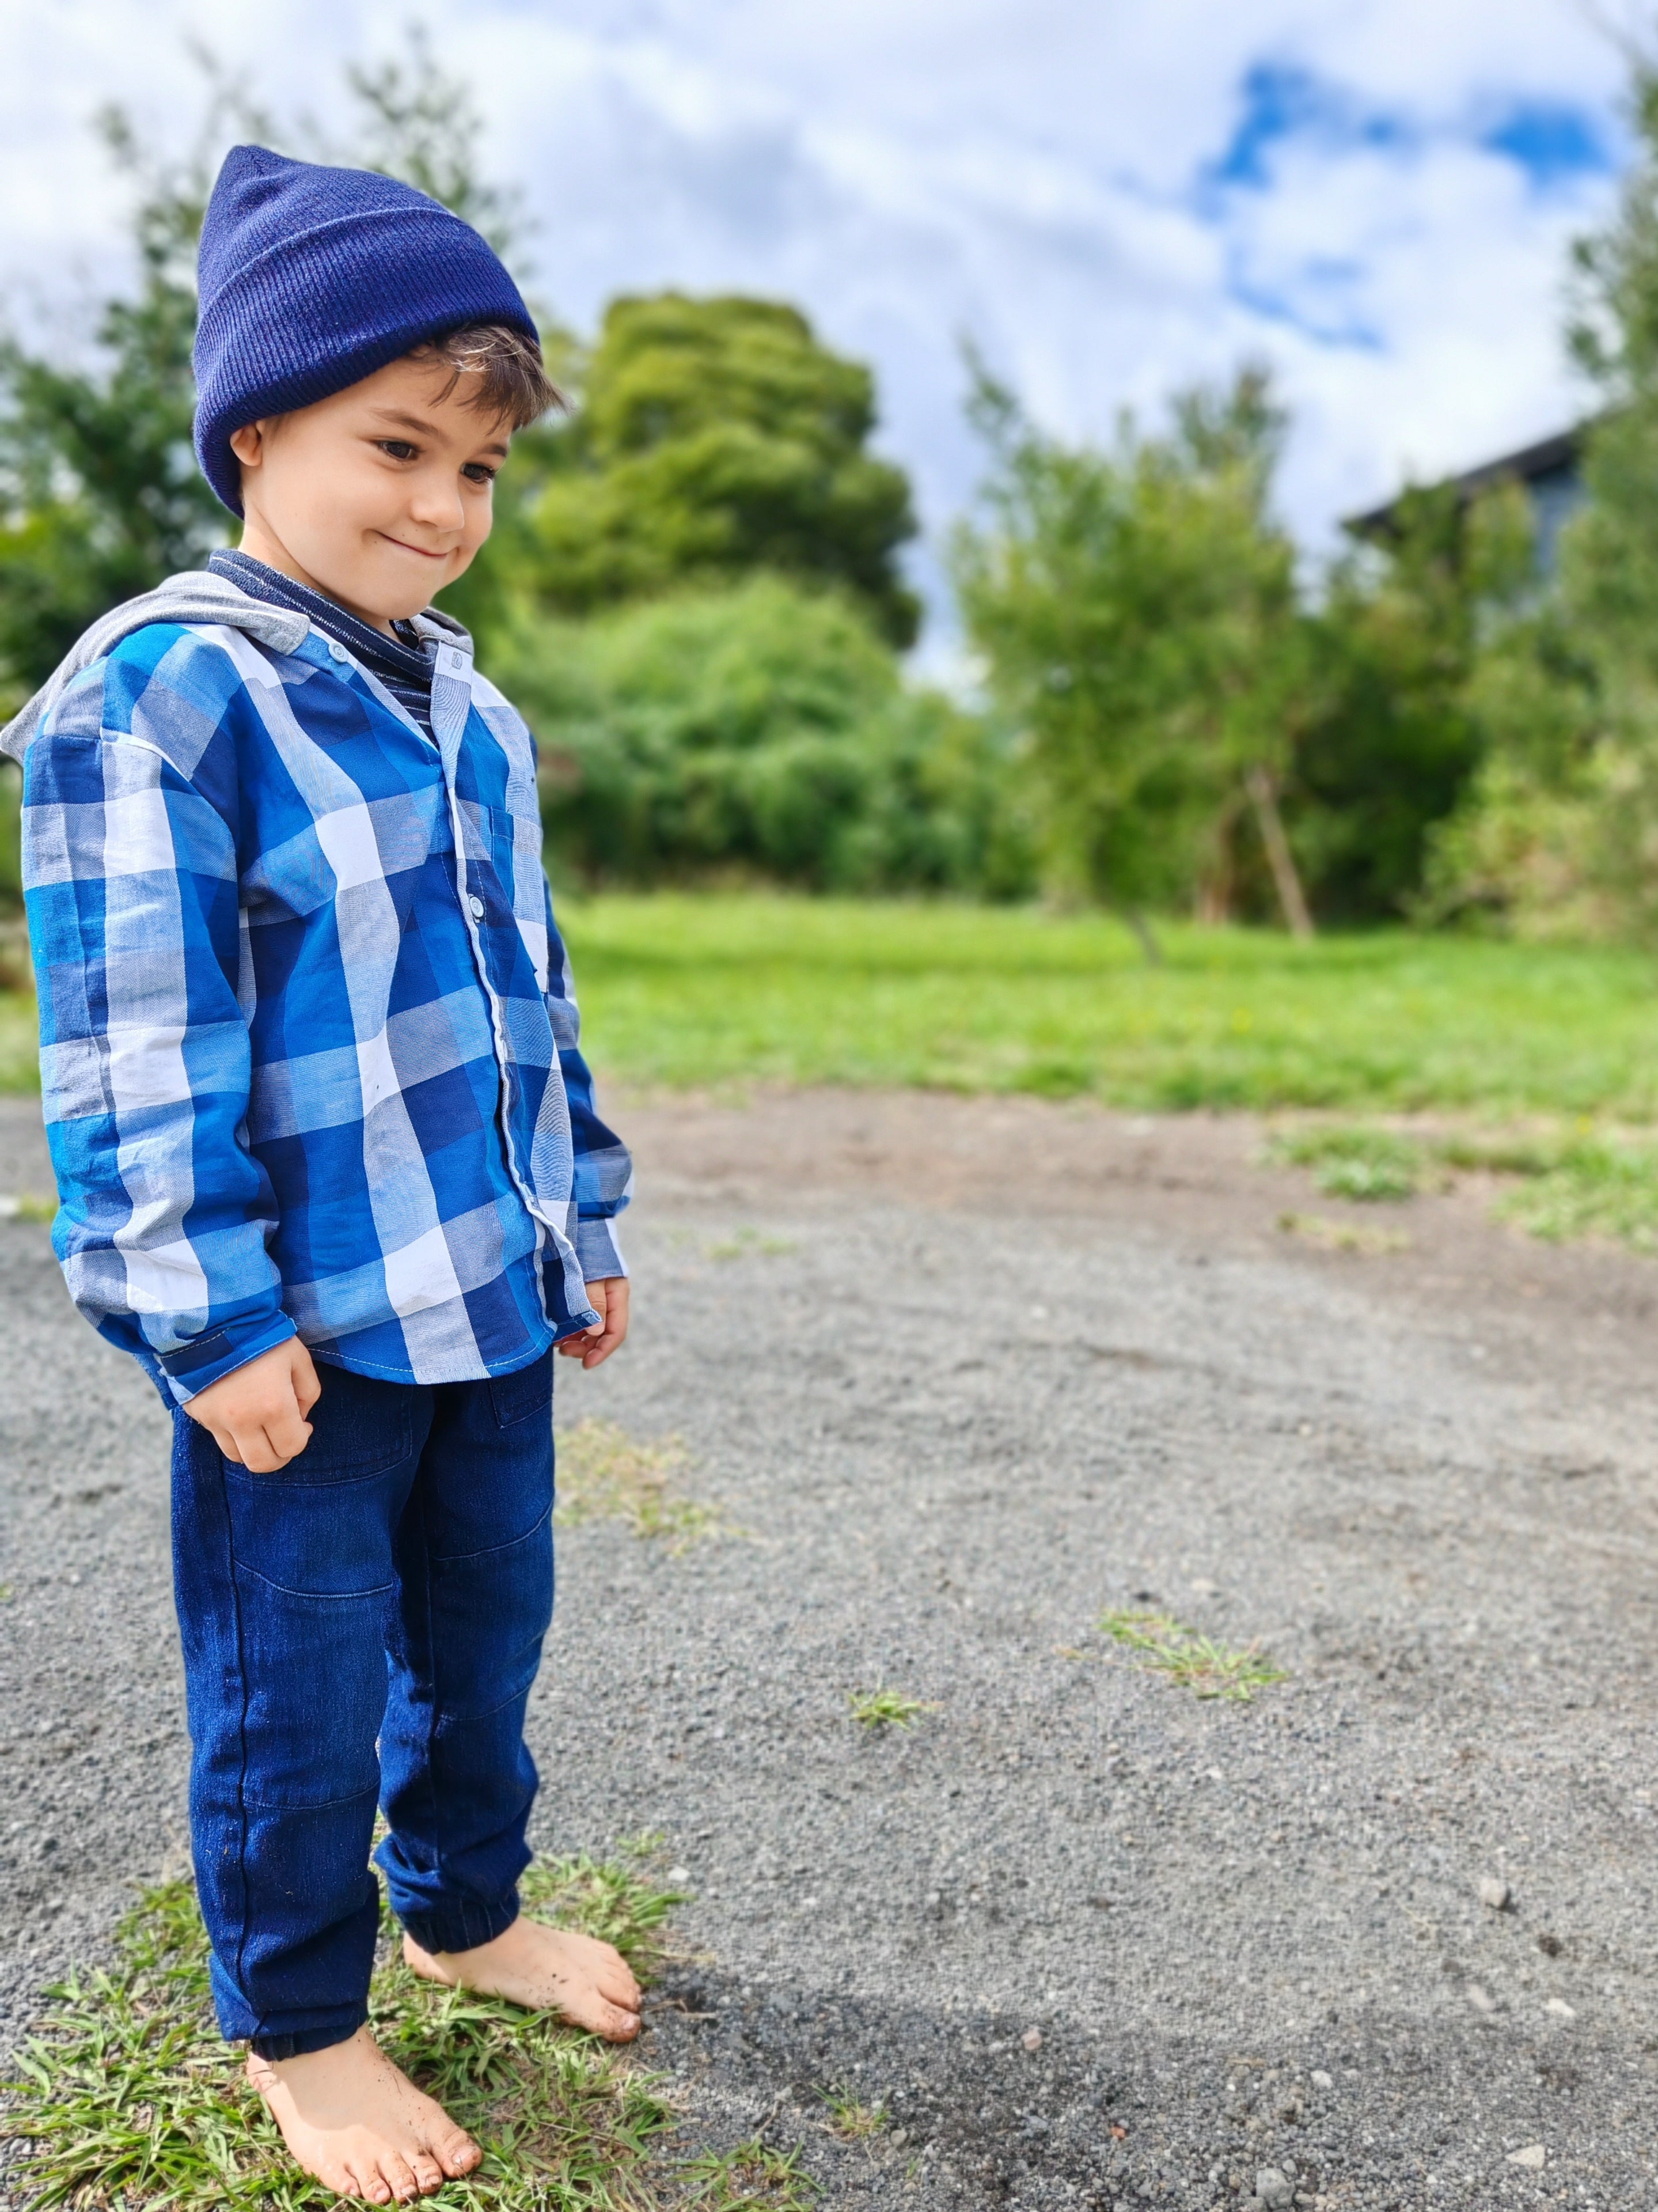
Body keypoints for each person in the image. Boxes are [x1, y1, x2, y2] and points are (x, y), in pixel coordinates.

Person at [3, 146, 641, 2206]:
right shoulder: (161, 689)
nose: (443, 509)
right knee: (299, 1674)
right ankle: (304, 2022)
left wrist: (585, 1211)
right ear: (256, 428)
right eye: (397, 447)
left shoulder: (479, 713)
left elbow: (525, 995)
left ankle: (463, 1908)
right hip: (304, 1330)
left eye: (479, 473)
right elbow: (128, 1045)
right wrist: (211, 1316)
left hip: (489, 1288)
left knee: (488, 1627)